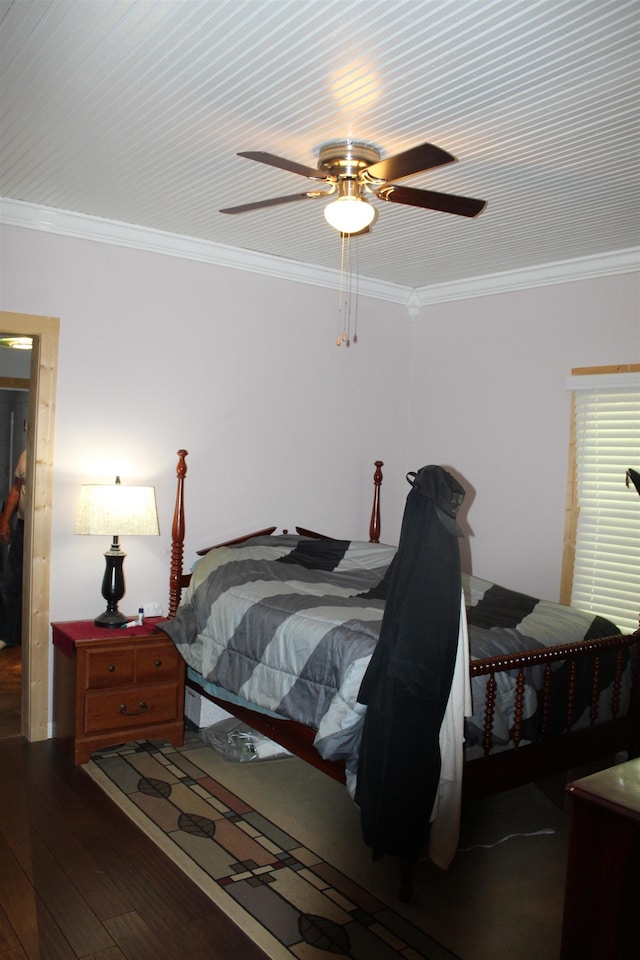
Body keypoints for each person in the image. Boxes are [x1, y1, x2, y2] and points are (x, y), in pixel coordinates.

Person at [0, 449, 26, 650]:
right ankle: (9, 637)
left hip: (41, 527)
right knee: (10, 583)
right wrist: (4, 521)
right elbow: (16, 490)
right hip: (22, 525)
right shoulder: (25, 454)